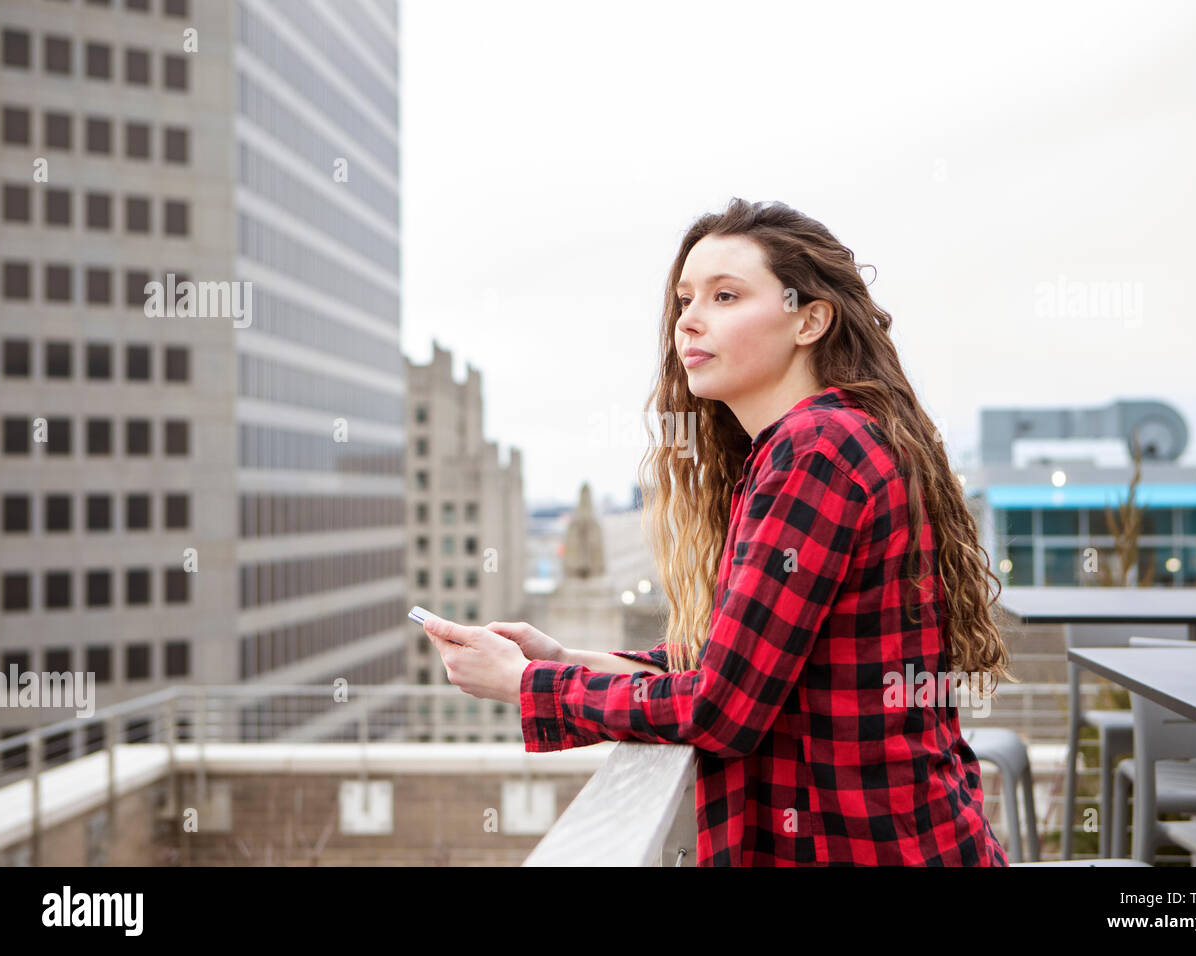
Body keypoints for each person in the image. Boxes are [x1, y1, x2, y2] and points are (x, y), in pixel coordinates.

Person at [423, 197, 1016, 866]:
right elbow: (738, 669)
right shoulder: (820, 442)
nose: (690, 322)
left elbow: (722, 708)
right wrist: (559, 660)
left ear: (810, 319)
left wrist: (522, 686)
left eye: (726, 296)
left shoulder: (817, 452)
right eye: (684, 300)